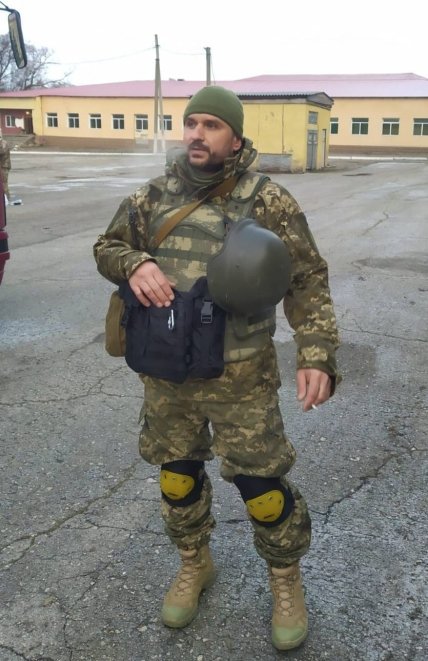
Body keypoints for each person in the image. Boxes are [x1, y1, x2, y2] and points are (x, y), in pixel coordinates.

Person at [93, 85, 340, 651]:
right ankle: (194, 563)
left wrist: (316, 354)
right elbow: (106, 246)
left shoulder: (268, 200)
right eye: (192, 123)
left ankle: (285, 580)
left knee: (262, 487)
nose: (197, 135)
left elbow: (308, 279)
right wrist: (134, 262)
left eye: (211, 125)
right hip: (167, 372)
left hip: (240, 374)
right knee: (177, 477)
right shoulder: (151, 196)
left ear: (234, 138)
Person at [0, 132, 11, 203]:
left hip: (4, 166)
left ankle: (6, 198)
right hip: (2, 165)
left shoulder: (3, 143)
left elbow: (2, 152)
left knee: (4, 182)